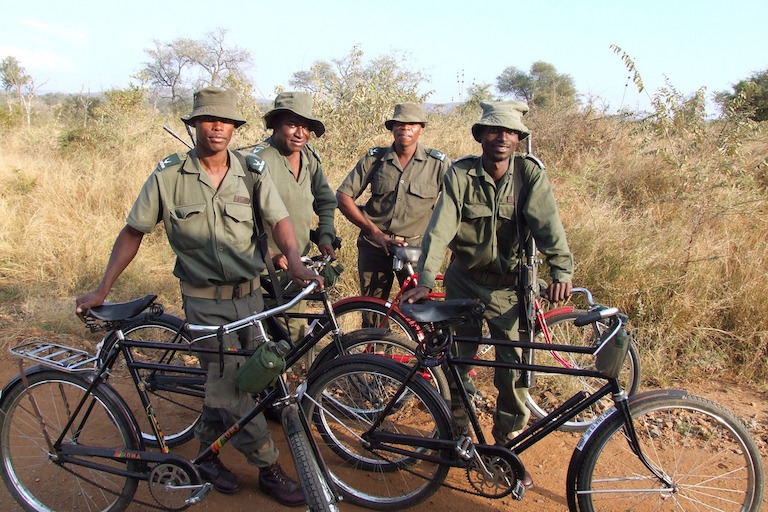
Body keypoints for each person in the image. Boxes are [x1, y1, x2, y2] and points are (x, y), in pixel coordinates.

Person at [75, 87, 320, 507]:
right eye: (209, 120)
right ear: (194, 125)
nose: (218, 128)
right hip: (205, 303)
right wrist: (103, 288)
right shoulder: (168, 177)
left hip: (250, 301)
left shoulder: (252, 170)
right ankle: (268, 469)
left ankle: (206, 457)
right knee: (232, 390)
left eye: (226, 122)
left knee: (251, 377)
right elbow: (134, 232)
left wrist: (294, 261)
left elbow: (279, 219)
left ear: (235, 128)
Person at [400, 100, 574, 489]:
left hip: (511, 289)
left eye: (510, 132)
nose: (502, 138)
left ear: (518, 138)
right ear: (480, 136)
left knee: (514, 371)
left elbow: (548, 226)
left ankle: (507, 447)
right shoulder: (460, 174)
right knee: (456, 363)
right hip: (464, 281)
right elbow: (440, 229)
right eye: (494, 131)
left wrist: (561, 269)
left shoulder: (529, 176)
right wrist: (426, 280)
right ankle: (455, 435)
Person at [336, 102, 450, 326]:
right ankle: (376, 358)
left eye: (411, 124)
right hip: (375, 247)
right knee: (373, 312)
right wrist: (374, 231)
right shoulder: (375, 159)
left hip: (416, 250)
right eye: (399, 124)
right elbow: (343, 196)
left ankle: (423, 358)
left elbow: (453, 208)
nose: (405, 128)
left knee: (422, 313)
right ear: (392, 128)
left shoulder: (437, 163)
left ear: (421, 128)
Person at [248, 91, 337, 340]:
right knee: (262, 343)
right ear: (275, 124)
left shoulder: (309, 158)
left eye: (306, 127)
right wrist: (270, 254)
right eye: (292, 124)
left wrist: (326, 235)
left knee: (294, 336)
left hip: (297, 265)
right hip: (262, 270)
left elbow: (326, 199)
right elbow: (238, 220)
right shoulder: (258, 161)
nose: (300, 133)